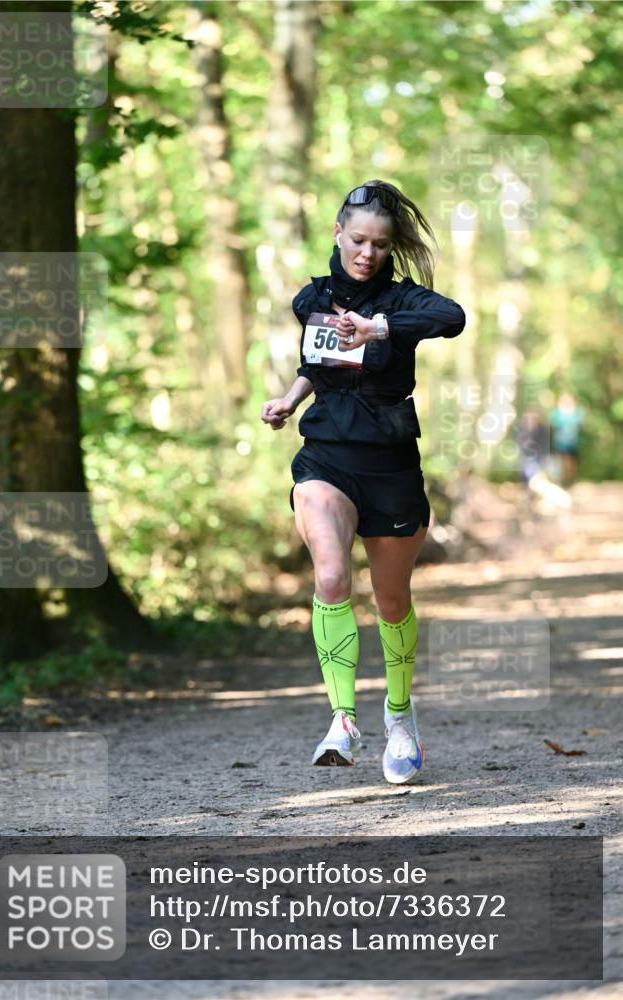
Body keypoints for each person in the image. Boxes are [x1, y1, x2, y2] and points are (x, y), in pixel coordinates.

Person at [260, 180, 466, 784]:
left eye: (379, 244)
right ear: (337, 233)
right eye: (357, 239)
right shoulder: (314, 298)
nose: (367, 253)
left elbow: (452, 317)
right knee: (329, 574)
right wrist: (290, 400)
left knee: (392, 600)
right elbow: (315, 362)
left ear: (391, 246)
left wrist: (380, 329)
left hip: (391, 463)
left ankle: (399, 717)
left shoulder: (404, 303)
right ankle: (343, 721)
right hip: (326, 455)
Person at [549, 392, 584, 486]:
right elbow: (553, 426)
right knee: (562, 461)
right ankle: (564, 481)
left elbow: (580, 425)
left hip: (573, 442)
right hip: (560, 442)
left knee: (571, 462)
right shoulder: (557, 413)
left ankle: (569, 480)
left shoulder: (576, 412)